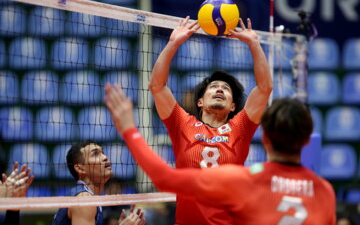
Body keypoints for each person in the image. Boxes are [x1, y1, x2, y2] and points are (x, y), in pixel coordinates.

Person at [105, 84, 336, 224]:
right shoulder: (325, 191)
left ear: (265, 139)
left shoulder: (242, 180)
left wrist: (129, 129)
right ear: (308, 141)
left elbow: (163, 178)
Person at [148, 16, 272, 224]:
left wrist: (254, 44)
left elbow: (264, 88)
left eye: (226, 89)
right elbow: (157, 87)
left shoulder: (240, 127)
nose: (220, 89)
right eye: (213, 86)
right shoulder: (182, 123)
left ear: (233, 106)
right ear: (200, 102)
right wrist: (173, 43)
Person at [52, 140, 146, 225]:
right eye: (95, 154)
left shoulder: (88, 196)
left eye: (103, 153)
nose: (105, 157)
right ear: (80, 168)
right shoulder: (84, 200)